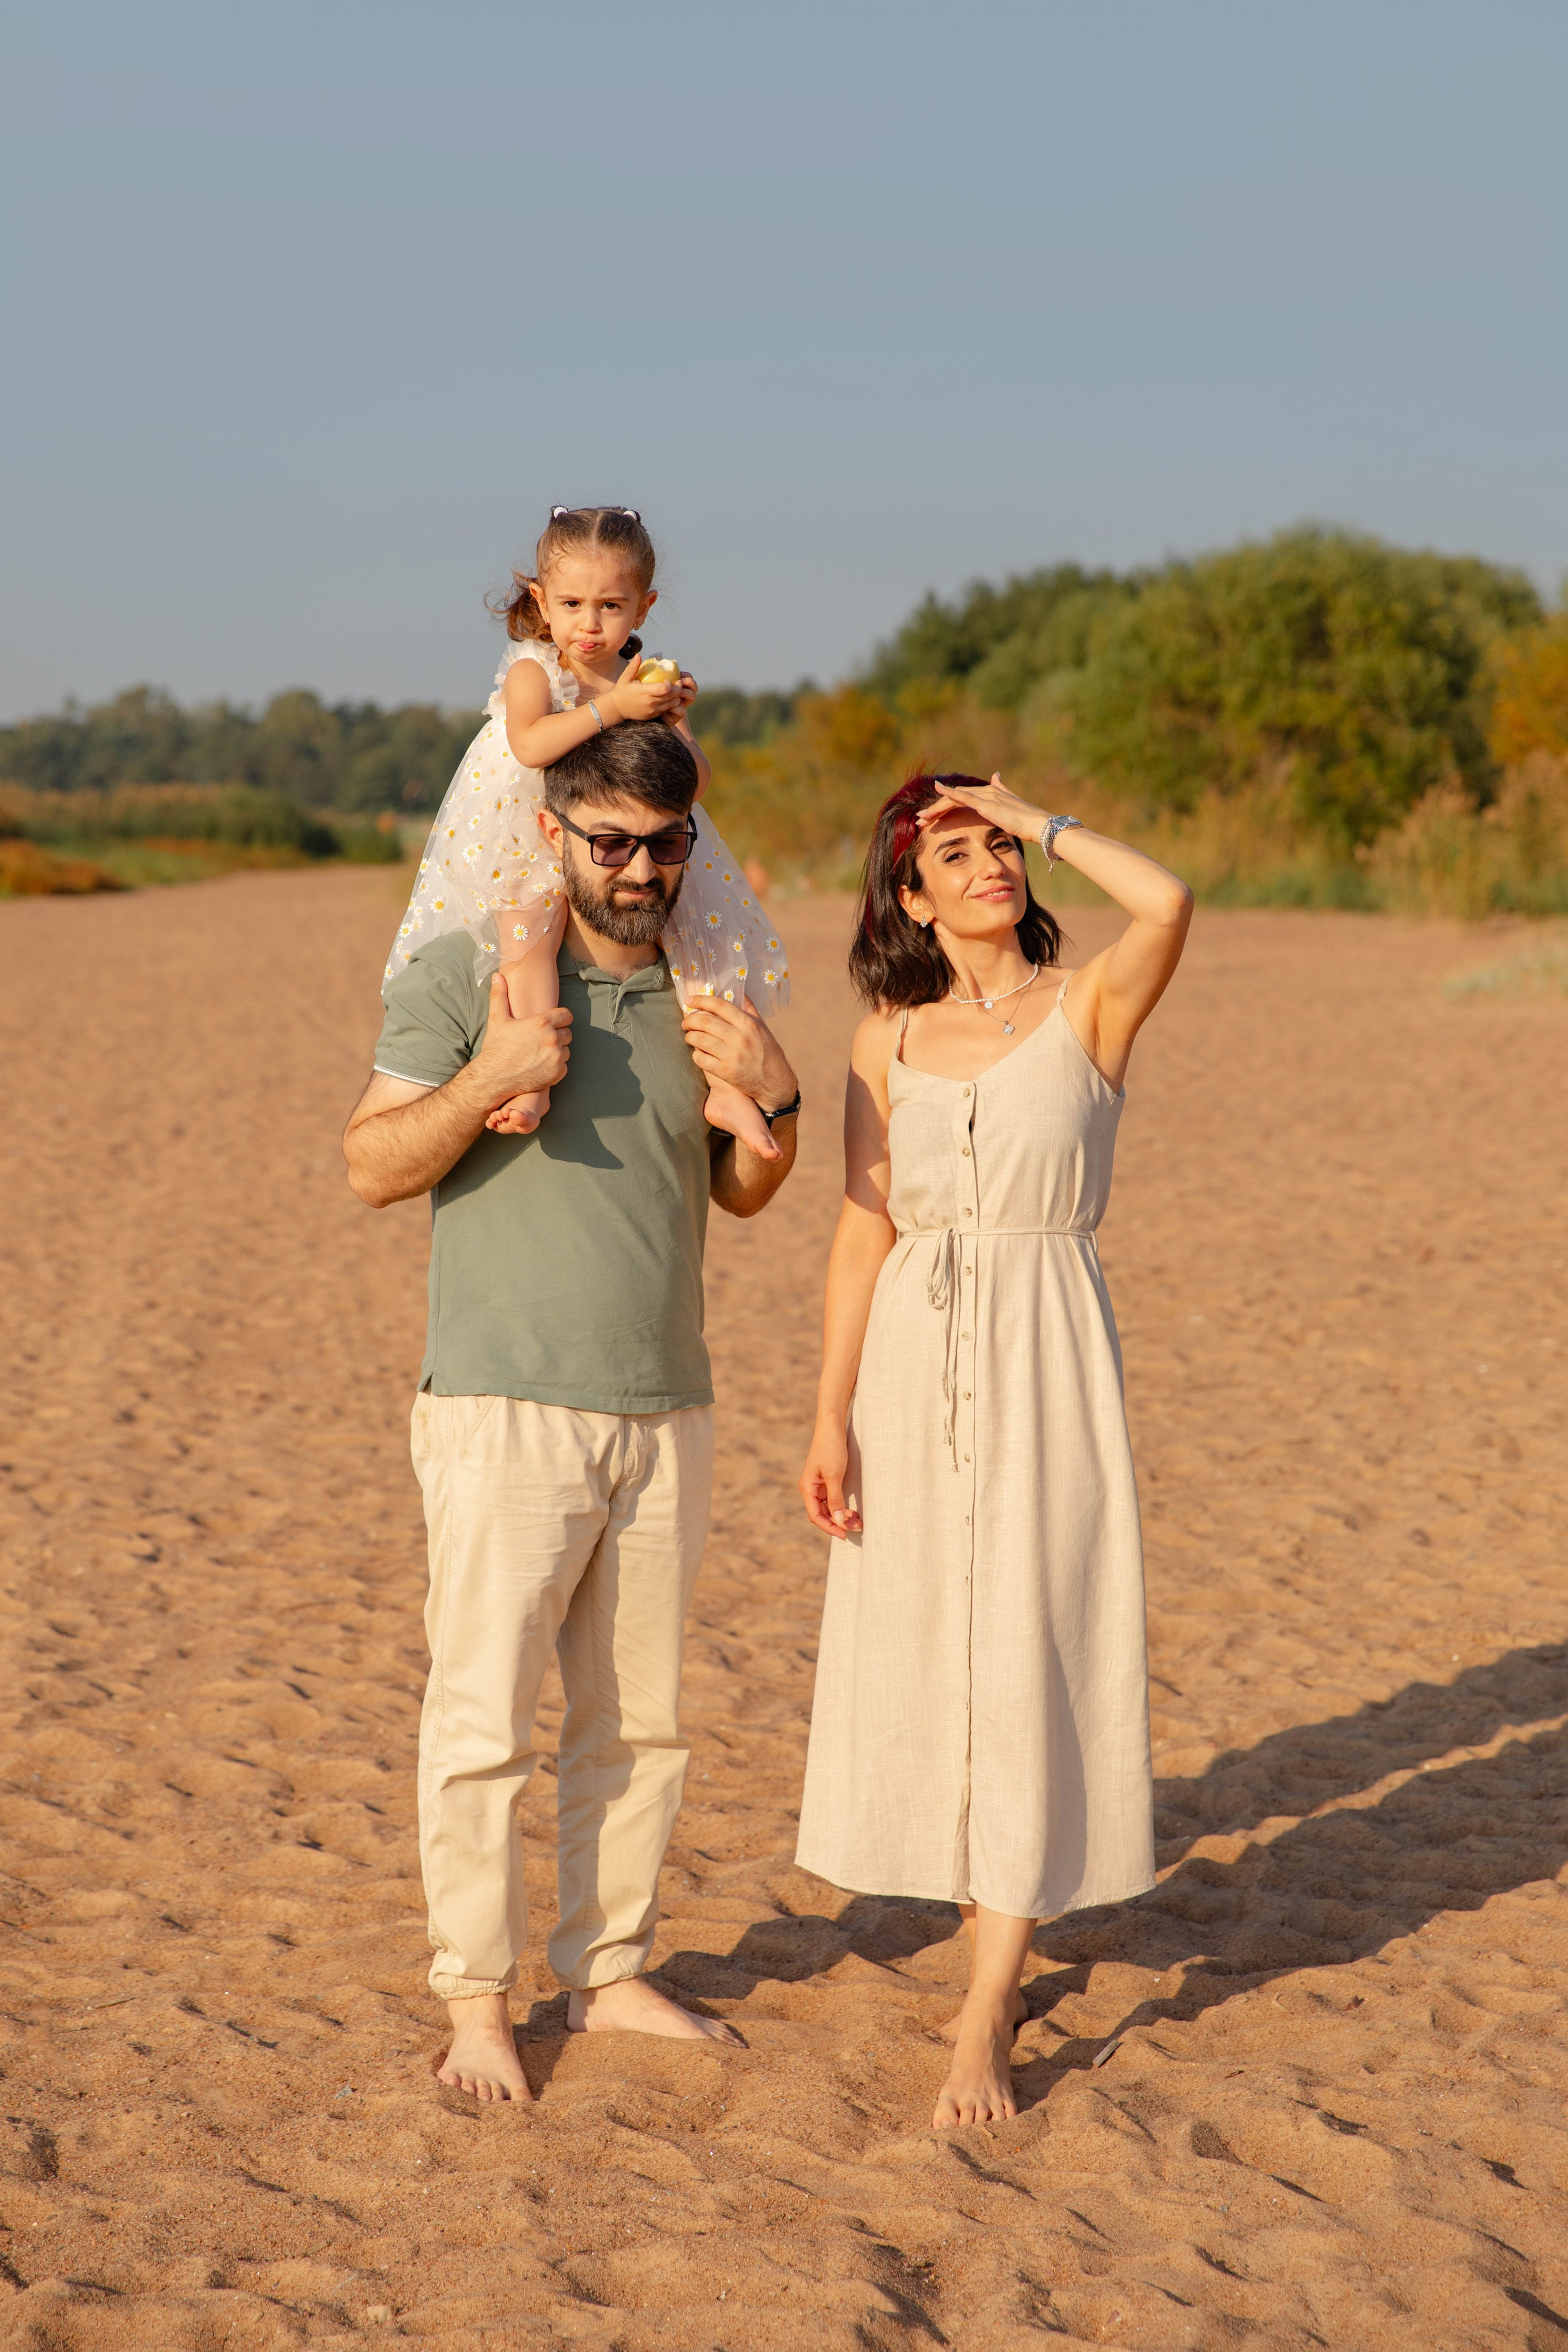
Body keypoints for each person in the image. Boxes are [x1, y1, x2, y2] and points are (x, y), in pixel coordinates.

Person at [345, 718, 802, 2102]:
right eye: (610, 841)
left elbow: (732, 1193)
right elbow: (371, 1162)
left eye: (664, 843)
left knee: (641, 1721)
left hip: (666, 1401)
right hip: (500, 1402)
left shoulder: (704, 997)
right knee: (482, 1720)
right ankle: (476, 2000)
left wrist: (771, 1103)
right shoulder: (460, 977)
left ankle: (606, 1972)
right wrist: (489, 1072)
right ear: (555, 834)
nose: (639, 867)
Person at [795, 770, 1193, 2131]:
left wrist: (1037, 818)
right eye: (952, 854)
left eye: (994, 849)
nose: (986, 867)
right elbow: (861, 1230)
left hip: (1044, 1346)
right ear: (907, 896)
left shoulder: (1085, 1004)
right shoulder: (880, 1041)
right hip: (909, 1359)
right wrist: (828, 1409)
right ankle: (986, 1941)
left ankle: (984, 2011)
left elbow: (1170, 898)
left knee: (1026, 1639)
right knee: (936, 1647)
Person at [386, 502, 788, 1158]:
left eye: (610, 605)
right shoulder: (534, 671)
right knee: (530, 945)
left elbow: (697, 780)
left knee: (703, 942)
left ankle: (727, 1088)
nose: (590, 625)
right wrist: (613, 708)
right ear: (541, 602)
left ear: (644, 607)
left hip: (624, 840)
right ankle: (533, 1080)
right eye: (571, 604)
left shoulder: (642, 675)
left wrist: (667, 718)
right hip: (524, 834)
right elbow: (530, 743)